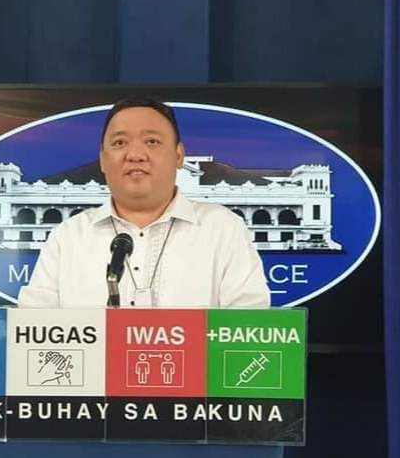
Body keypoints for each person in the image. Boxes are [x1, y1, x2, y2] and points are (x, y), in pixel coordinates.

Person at [17, 97, 270, 309]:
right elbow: (31, 332)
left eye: (152, 142)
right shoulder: (68, 237)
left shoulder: (223, 229)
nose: (136, 155)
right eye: (120, 143)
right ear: (103, 159)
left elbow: (249, 330)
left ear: (179, 156)